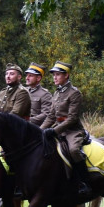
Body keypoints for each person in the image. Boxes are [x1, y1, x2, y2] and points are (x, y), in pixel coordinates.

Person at [39, 61, 91, 199]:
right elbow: (50, 116)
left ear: (66, 75)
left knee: (73, 150)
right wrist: (39, 130)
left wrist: (54, 131)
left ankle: (84, 182)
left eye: (58, 75)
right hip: (57, 129)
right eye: (54, 75)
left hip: (72, 131)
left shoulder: (74, 93)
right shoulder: (56, 93)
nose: (54, 78)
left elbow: (72, 118)